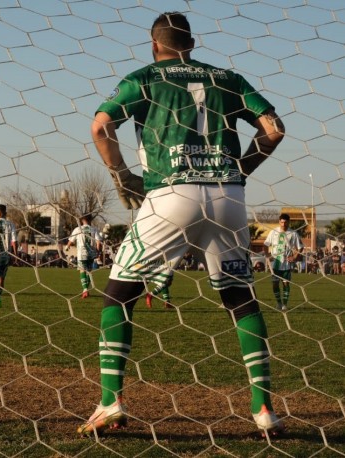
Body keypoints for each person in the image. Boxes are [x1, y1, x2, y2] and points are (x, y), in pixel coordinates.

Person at [79, 12, 286, 437]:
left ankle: (110, 401)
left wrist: (121, 176)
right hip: (228, 196)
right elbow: (274, 129)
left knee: (118, 297)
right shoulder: (228, 78)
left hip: (170, 194)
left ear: (154, 46)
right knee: (240, 298)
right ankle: (263, 408)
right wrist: (240, 168)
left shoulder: (144, 78)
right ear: (192, 44)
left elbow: (101, 126)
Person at [263, 213, 304, 311]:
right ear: (279, 222)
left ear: (288, 222)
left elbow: (300, 247)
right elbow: (265, 244)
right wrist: (267, 255)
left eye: (285, 222)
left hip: (286, 263)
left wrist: (294, 257)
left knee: (286, 283)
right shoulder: (273, 232)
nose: (283, 224)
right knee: (275, 284)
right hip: (275, 263)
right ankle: (278, 303)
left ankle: (285, 304)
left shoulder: (293, 233)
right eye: (281, 222)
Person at [64, 214, 103, 299]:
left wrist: (67, 246)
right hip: (91, 253)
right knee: (89, 271)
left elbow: (71, 240)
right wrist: (97, 250)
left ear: (81, 220)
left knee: (82, 271)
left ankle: (85, 289)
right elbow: (98, 241)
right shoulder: (94, 229)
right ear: (90, 220)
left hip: (82, 253)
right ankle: (86, 290)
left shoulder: (78, 229)